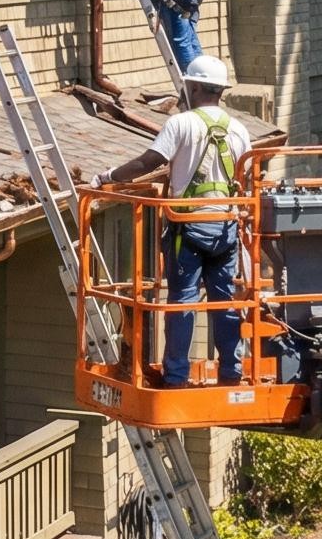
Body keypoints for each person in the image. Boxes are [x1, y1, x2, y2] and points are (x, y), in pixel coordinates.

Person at [95, 54, 251, 389]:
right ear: (220, 91)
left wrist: (106, 177)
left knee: (182, 302)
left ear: (193, 86)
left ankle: (177, 377)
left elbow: (149, 162)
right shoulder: (239, 130)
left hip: (188, 226)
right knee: (224, 301)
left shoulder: (181, 124)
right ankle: (231, 375)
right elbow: (246, 178)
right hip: (226, 228)